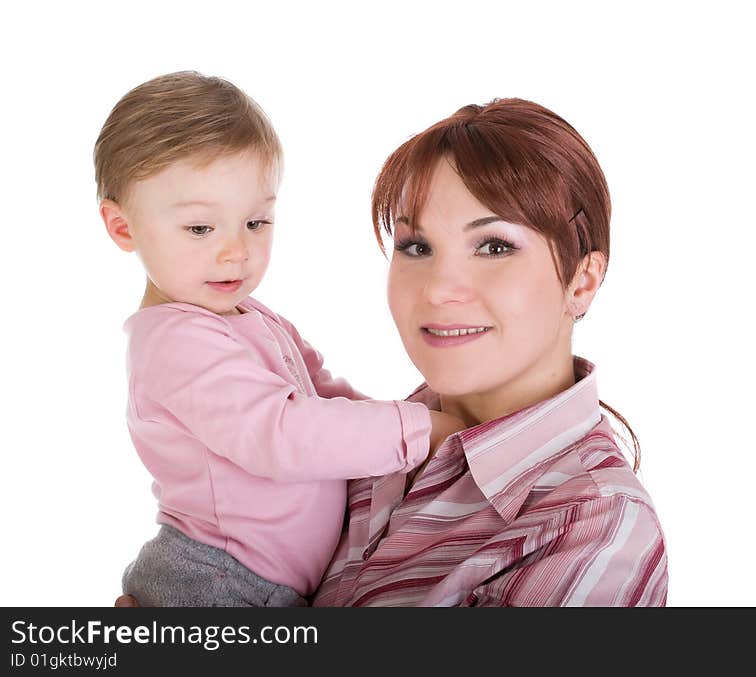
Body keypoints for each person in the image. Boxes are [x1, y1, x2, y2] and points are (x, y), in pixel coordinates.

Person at [117, 96, 668, 607]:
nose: (438, 287)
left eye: (494, 245)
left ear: (582, 280)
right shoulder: (376, 449)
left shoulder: (596, 524)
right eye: (416, 246)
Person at [96, 71, 465, 607]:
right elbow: (282, 434)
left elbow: (319, 393)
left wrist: (398, 420)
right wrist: (417, 429)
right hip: (218, 582)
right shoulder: (176, 343)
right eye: (201, 229)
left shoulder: (243, 312)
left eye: (256, 221)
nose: (236, 251)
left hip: (263, 582)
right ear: (123, 227)